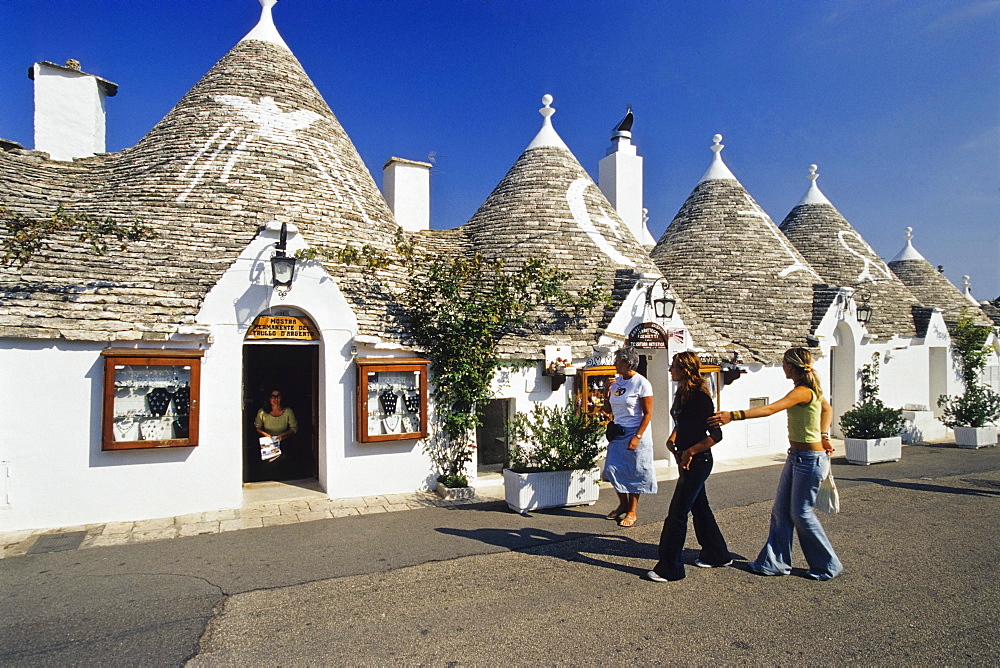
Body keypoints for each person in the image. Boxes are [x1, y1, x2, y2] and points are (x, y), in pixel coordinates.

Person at [709, 347, 842, 581]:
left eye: (783, 364)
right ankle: (775, 564)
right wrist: (823, 435)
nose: (782, 368)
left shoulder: (802, 391)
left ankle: (827, 565)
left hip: (810, 460)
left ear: (791, 366)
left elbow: (770, 409)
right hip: (797, 457)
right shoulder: (809, 390)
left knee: (801, 513)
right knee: (781, 511)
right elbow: (827, 409)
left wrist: (734, 415)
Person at [647, 351, 731, 582]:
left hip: (699, 461)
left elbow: (716, 435)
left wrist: (690, 451)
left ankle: (670, 568)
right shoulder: (682, 393)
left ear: (684, 370)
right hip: (687, 460)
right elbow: (683, 423)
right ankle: (717, 554)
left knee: (677, 514)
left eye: (673, 366)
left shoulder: (699, 397)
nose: (669, 370)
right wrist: (673, 439)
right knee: (700, 508)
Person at [603, 346, 657, 527]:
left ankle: (632, 511)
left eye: (617, 360)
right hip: (619, 431)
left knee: (635, 472)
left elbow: (648, 413)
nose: (614, 363)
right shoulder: (616, 381)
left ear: (627, 362)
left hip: (635, 432)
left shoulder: (642, 383)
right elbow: (608, 409)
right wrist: (606, 391)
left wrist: (638, 436)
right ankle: (623, 504)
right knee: (612, 469)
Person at [254, 389, 298, 460]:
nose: (276, 399)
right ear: (269, 398)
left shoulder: (288, 412)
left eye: (278, 396)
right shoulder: (262, 412)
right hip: (267, 443)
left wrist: (283, 435)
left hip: (284, 442)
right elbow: (257, 427)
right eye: (273, 396)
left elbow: (294, 429)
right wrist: (267, 435)